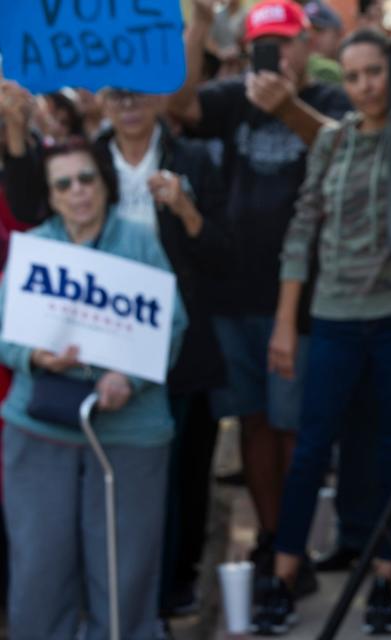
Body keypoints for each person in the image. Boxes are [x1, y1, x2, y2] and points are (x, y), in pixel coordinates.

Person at [257, 29, 391, 635]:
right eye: (354, 75)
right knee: (312, 448)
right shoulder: (332, 143)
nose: (366, 86)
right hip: (333, 316)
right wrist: (287, 321)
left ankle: (384, 579)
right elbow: (300, 230)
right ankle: (283, 575)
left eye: (375, 72)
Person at [169, 0, 351, 590]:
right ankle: (273, 538)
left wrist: (288, 108)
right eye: (265, 47)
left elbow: (347, 148)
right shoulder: (233, 99)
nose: (279, 57)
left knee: (294, 427)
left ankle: (293, 545)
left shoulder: (325, 99)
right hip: (232, 296)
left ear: (307, 44)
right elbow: (180, 104)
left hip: (298, 300)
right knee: (252, 424)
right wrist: (198, 25)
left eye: (288, 43)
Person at [0, 137, 187, 639]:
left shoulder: (140, 243)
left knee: (123, 570)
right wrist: (35, 356)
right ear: (50, 194)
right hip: (39, 428)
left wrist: (131, 375)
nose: (78, 192)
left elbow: (171, 324)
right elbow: (3, 332)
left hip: (129, 432)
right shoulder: (35, 246)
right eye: (64, 184)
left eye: (87, 179)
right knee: (39, 566)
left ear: (105, 184)